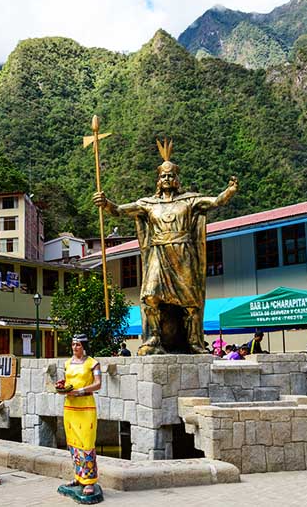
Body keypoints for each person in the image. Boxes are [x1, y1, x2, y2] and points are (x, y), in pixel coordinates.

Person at [94, 139, 238, 355]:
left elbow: (215, 202)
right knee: (150, 295)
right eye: (163, 176)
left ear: (176, 179)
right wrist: (105, 203)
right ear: (158, 180)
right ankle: (152, 339)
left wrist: (229, 191)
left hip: (183, 254)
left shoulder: (189, 201)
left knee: (190, 301)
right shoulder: (148, 204)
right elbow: (119, 210)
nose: (167, 178)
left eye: (171, 175)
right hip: (158, 255)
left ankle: (194, 342)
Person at [55, 334, 102, 497]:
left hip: (86, 405)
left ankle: (89, 481)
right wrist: (62, 386)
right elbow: (69, 382)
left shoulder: (93, 363)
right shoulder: (68, 363)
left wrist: (80, 390)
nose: (75, 347)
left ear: (84, 346)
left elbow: (98, 384)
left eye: (78, 345)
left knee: (86, 443)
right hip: (70, 406)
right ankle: (78, 477)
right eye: (73, 344)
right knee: (73, 443)